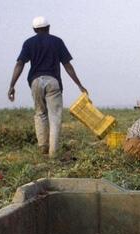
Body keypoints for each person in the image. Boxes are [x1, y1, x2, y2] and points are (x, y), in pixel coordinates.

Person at [8, 16, 87, 158]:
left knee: (40, 114)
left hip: (35, 82)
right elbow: (67, 65)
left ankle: (43, 148)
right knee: (55, 116)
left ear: (34, 29)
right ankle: (53, 153)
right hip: (53, 82)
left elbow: (20, 64)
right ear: (49, 28)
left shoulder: (28, 43)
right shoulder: (57, 41)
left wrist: (12, 85)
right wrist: (79, 85)